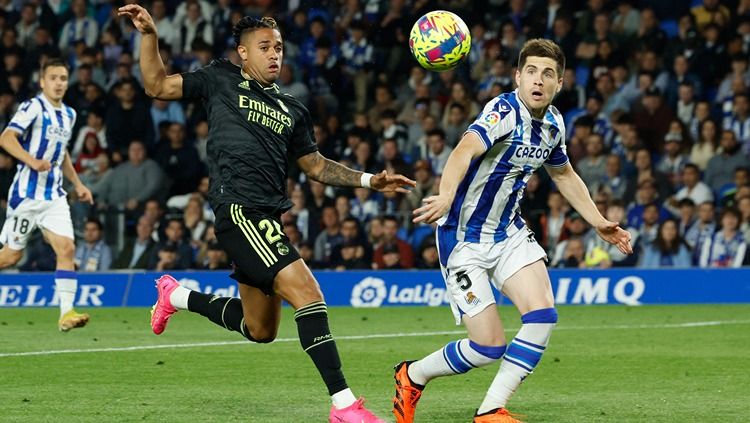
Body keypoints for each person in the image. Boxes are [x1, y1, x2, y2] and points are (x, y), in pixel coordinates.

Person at [118, 5, 414, 422]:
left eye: (278, 47)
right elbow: (156, 85)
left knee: (261, 330)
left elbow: (315, 167)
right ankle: (345, 405)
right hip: (238, 208)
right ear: (243, 53)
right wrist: (149, 35)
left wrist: (369, 181)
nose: (274, 54)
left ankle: (176, 295)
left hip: (267, 217)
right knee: (309, 295)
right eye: (264, 47)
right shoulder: (220, 78)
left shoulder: (293, 108)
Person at [392, 39, 632, 423]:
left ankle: (490, 410)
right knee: (488, 347)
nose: (539, 80)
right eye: (532, 72)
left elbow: (563, 173)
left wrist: (598, 220)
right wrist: (446, 194)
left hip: (508, 233)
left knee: (542, 316)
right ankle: (412, 375)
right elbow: (464, 149)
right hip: (463, 238)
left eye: (548, 74)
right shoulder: (503, 111)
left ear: (560, 83)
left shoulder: (553, 123)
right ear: (518, 77)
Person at [0, 59, 94, 331]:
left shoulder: (69, 115)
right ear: (43, 81)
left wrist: (78, 184)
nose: (59, 83)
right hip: (27, 196)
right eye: (53, 78)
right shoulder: (32, 107)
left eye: (63, 78)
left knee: (66, 249)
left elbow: (61, 151)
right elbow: (6, 138)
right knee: (10, 257)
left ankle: (66, 314)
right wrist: (31, 160)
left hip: (54, 195)